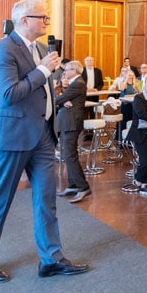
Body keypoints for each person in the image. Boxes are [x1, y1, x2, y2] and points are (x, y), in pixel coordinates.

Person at [0, 0, 89, 283]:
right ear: (24, 20)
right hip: (12, 136)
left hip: (42, 136)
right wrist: (44, 71)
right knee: (0, 200)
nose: (47, 22)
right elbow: (9, 94)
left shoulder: (41, 50)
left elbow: (41, 89)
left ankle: (51, 258)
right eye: (42, 17)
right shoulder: (2, 50)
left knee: (46, 199)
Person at [55, 60, 92, 203]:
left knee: (70, 156)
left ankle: (83, 187)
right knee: (67, 155)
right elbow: (62, 99)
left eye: (67, 69)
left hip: (71, 123)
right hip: (67, 122)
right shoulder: (74, 83)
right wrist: (63, 100)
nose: (64, 72)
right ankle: (73, 185)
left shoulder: (78, 83)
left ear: (75, 71)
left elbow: (58, 99)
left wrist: (61, 100)